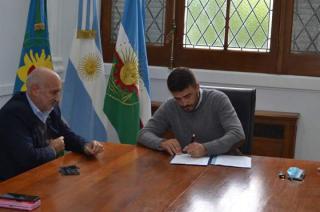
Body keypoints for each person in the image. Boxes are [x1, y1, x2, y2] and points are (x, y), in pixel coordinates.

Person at [0, 67, 104, 180]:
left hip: (39, 176)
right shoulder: (13, 114)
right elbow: (27, 158)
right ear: (35, 90)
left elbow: (65, 134)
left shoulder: (51, 107)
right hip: (14, 184)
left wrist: (85, 145)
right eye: (54, 92)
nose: (58, 99)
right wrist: (52, 149)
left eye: (59, 92)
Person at [138, 67, 245, 157]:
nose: (184, 103)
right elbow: (143, 134)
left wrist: (205, 149)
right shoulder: (170, 106)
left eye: (187, 96)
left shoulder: (218, 99)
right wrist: (161, 143)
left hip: (225, 163)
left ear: (197, 87)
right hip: (190, 166)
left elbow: (238, 135)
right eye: (178, 98)